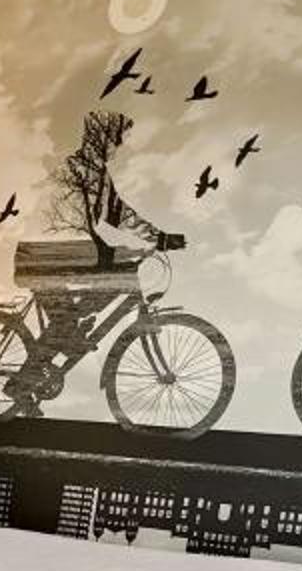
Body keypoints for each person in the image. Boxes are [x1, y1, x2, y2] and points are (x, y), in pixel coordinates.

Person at [10, 108, 184, 406]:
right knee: (71, 319)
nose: (119, 146)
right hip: (43, 257)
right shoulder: (74, 170)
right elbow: (71, 222)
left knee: (70, 319)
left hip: (62, 257)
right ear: (101, 138)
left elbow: (119, 213)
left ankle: (74, 330)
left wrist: (159, 237)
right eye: (116, 138)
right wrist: (118, 251)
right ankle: (21, 385)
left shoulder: (97, 175)